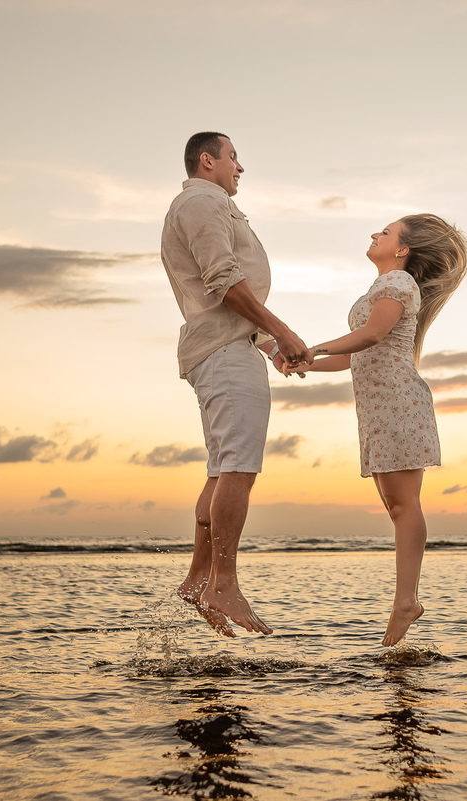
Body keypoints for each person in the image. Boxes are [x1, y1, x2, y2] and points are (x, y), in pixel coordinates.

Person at [287, 214, 467, 646]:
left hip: (398, 404)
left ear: (403, 249)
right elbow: (355, 355)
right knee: (397, 507)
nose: (374, 234)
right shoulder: (383, 287)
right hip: (379, 409)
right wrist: (304, 361)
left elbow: (371, 335)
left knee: (404, 507)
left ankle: (406, 602)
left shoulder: (399, 284)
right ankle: (404, 603)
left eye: (385, 232)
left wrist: (310, 348)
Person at [160, 131, 311, 637]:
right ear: (208, 160)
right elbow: (222, 280)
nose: (240, 167)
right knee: (239, 470)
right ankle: (223, 580)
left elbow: (223, 297)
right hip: (223, 355)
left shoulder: (208, 203)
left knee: (221, 468)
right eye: (233, 157)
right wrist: (281, 331)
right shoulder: (203, 201)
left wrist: (267, 348)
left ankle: (197, 578)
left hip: (227, 348)